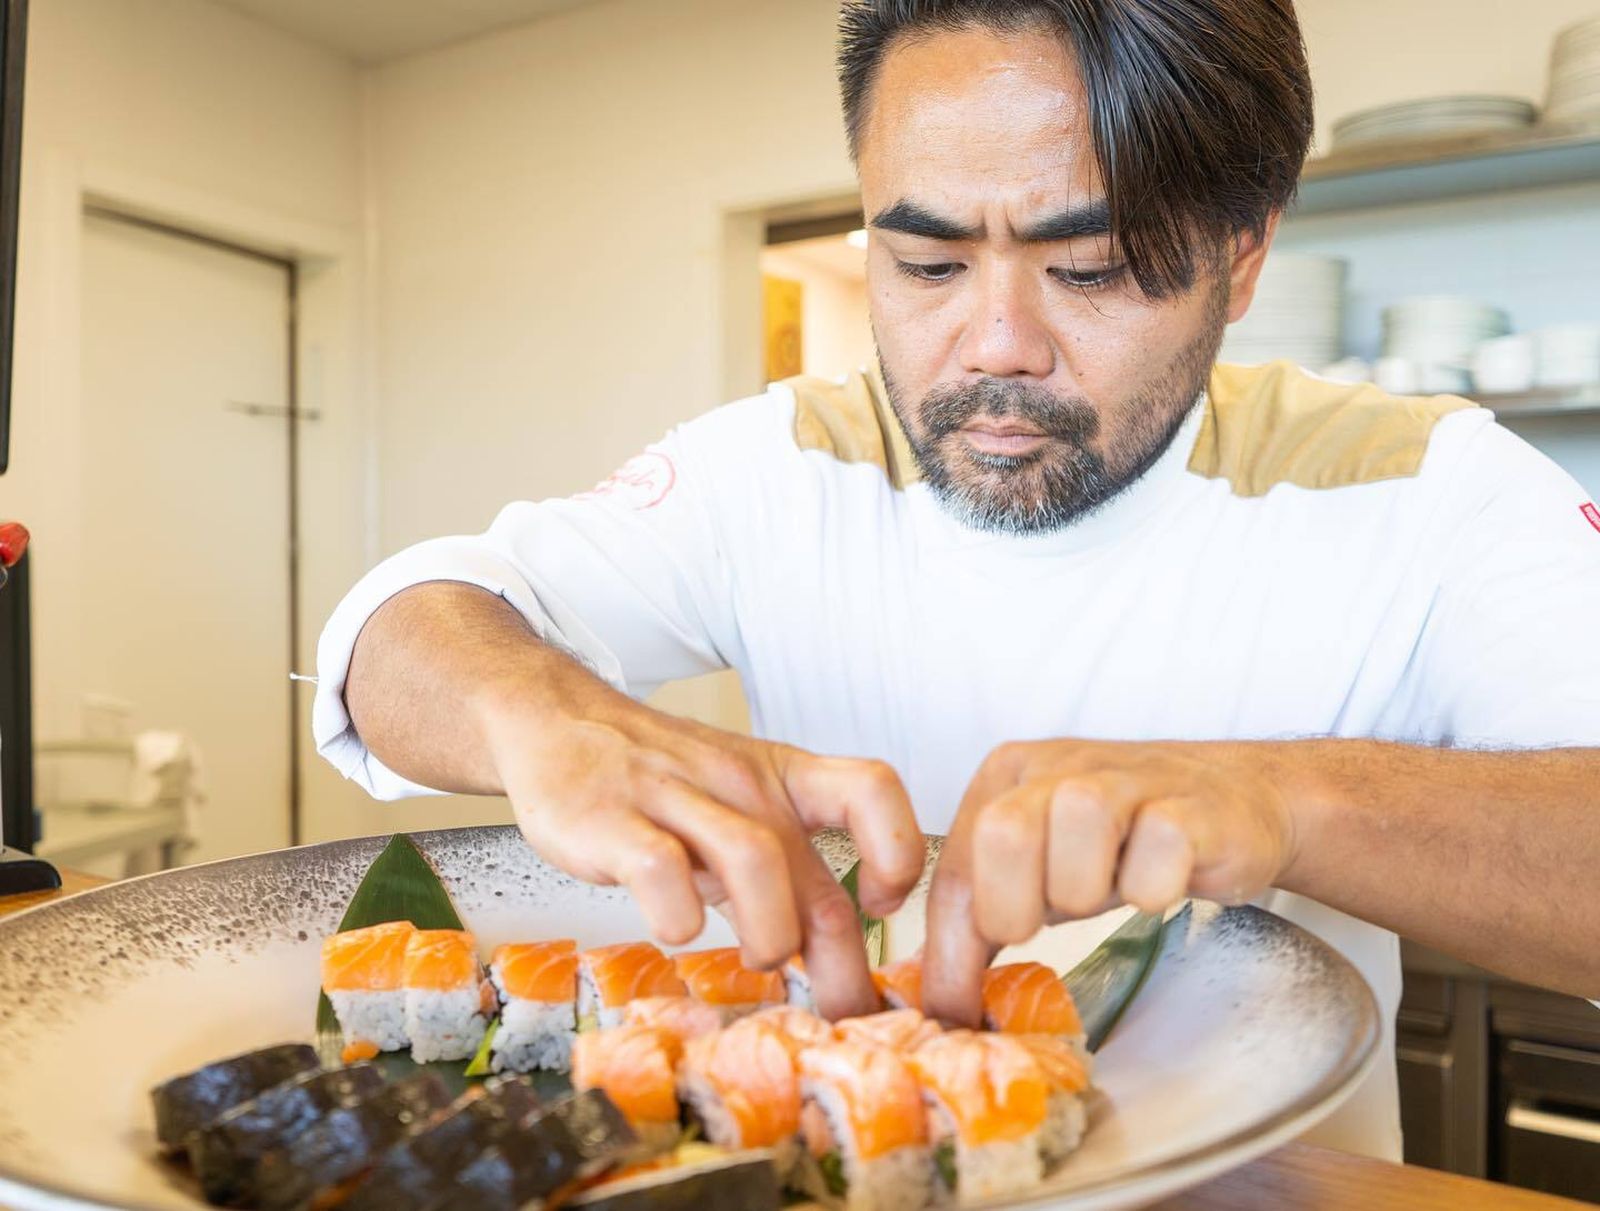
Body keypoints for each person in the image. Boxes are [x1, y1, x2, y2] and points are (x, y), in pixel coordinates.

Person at [314, 0, 1600, 1159]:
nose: (993, 347)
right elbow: (399, 632)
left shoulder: (1426, 485)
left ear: (1244, 254)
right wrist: (544, 714)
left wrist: (1284, 797)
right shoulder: (787, 458)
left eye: (1090, 268)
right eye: (924, 264)